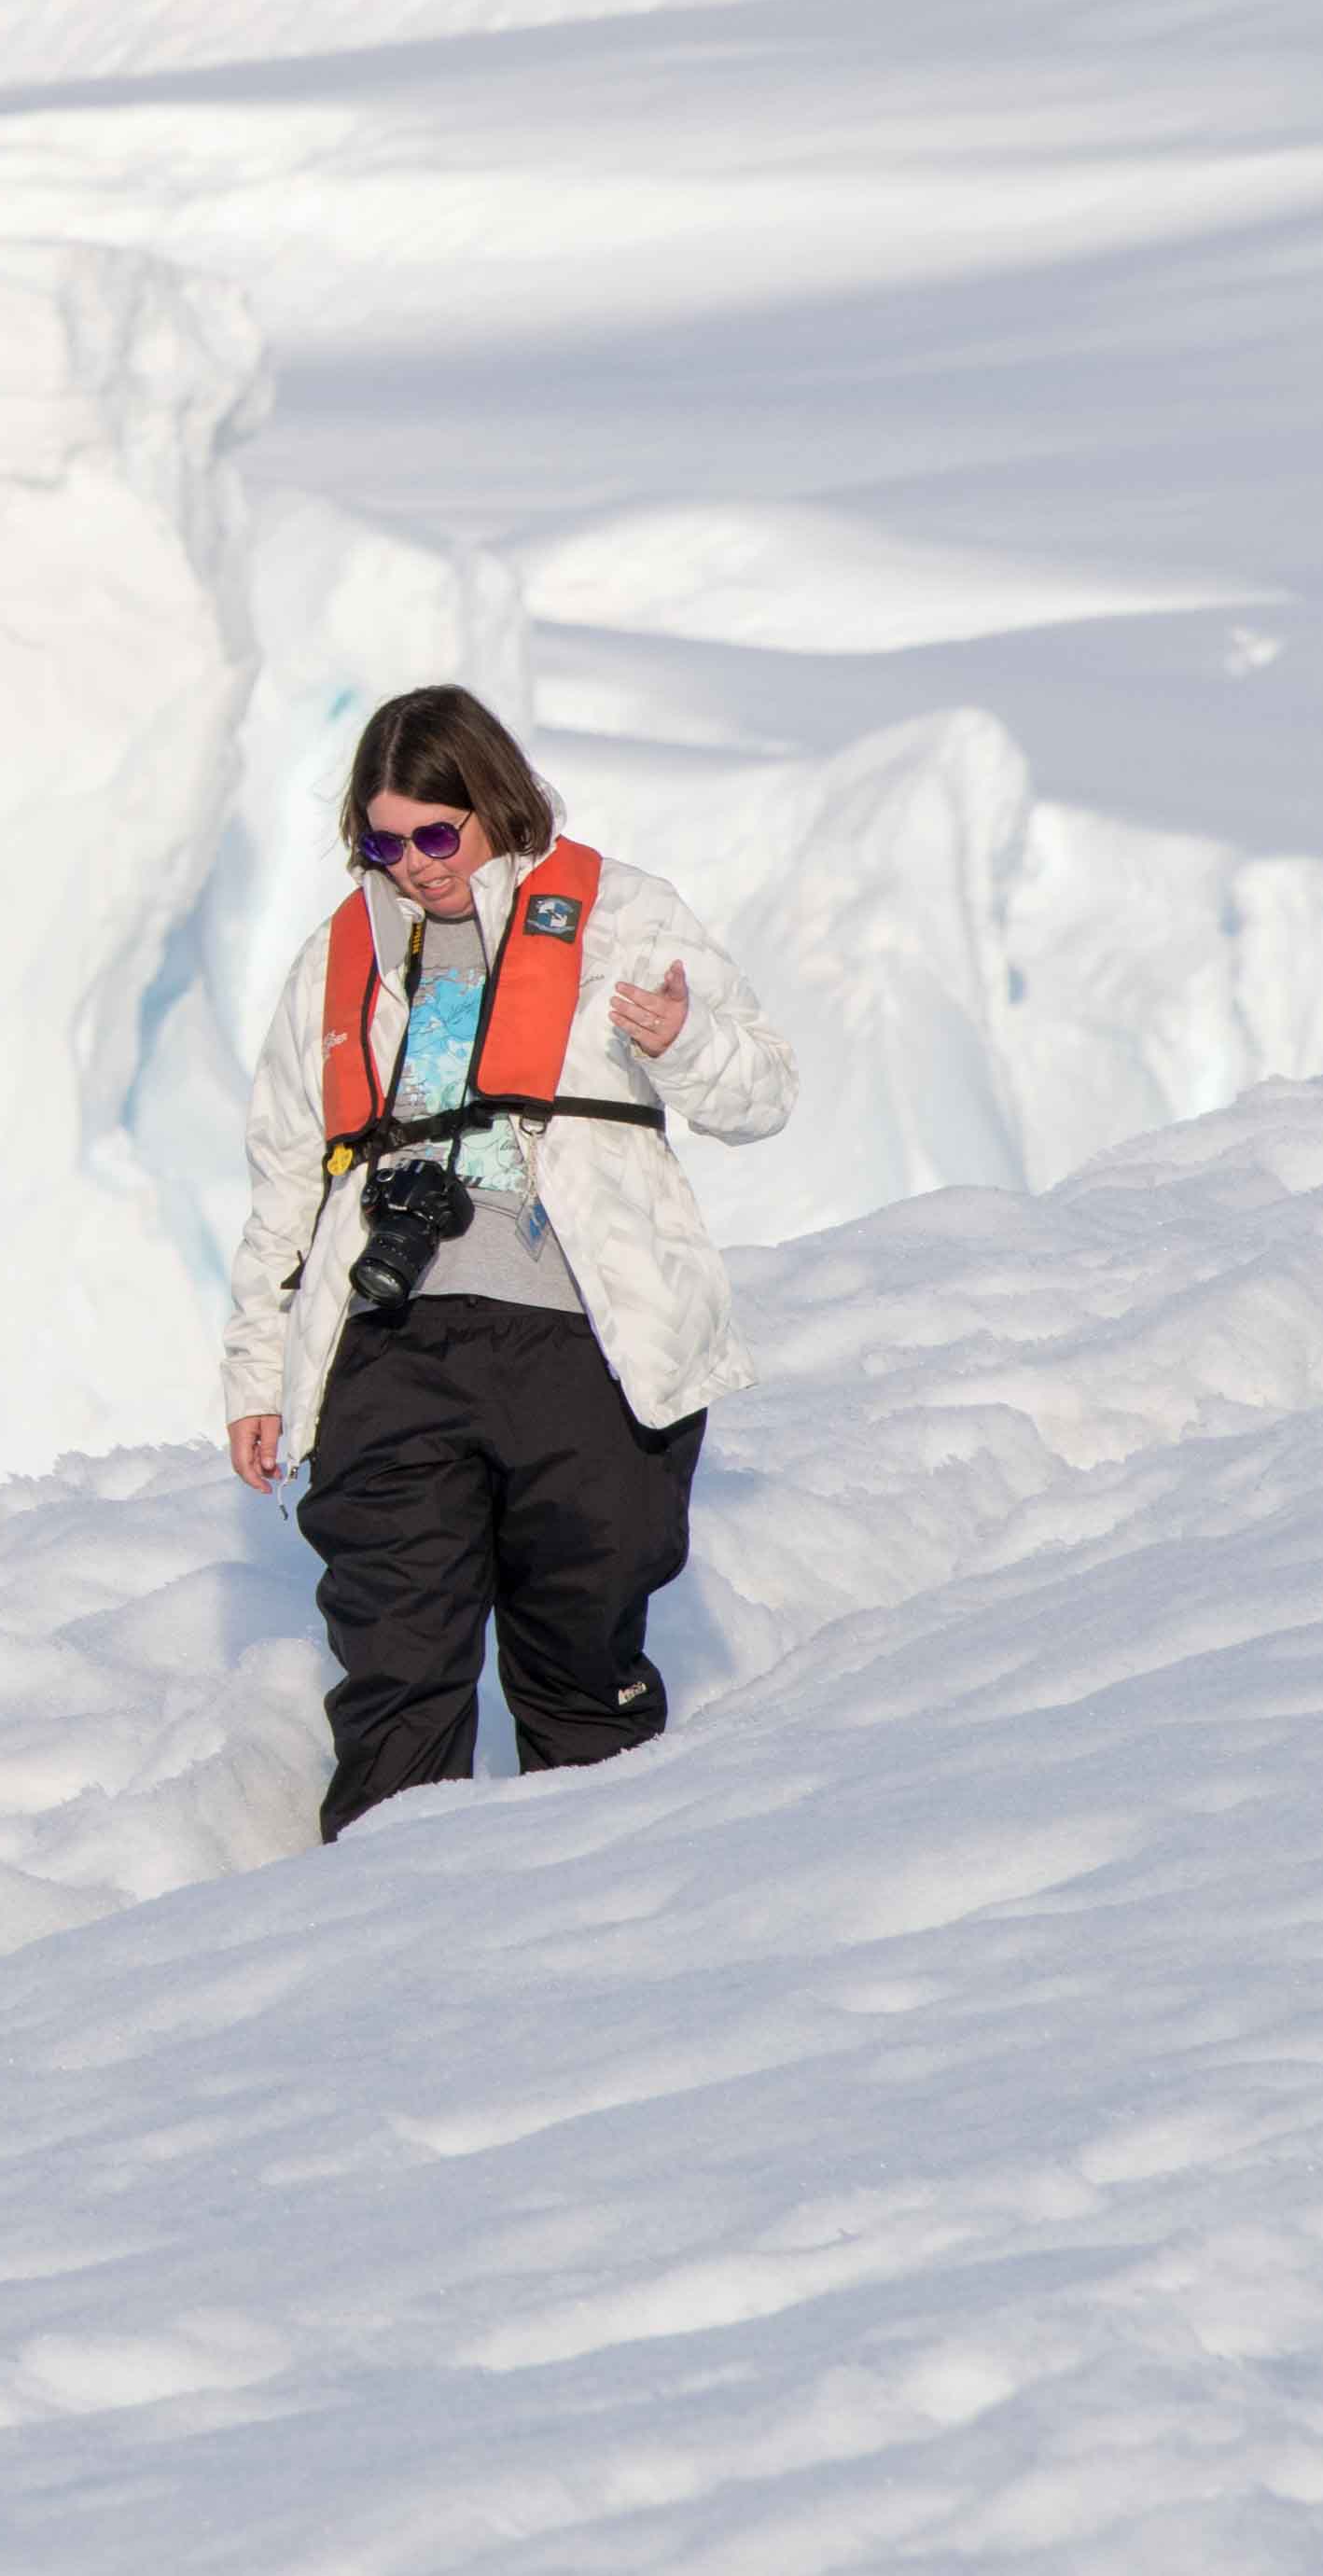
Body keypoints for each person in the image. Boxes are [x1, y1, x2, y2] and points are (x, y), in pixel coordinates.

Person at [226, 684, 796, 1839]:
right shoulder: (340, 955)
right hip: (388, 1343)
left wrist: (679, 1038)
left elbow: (763, 1091)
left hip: (583, 1343)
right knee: (394, 1667)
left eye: (436, 834)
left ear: (492, 803)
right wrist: (253, 1374)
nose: (415, 865)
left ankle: (589, 1941)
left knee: (576, 1665)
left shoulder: (623, 916)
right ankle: (376, 1945)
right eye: (384, 842)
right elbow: (285, 1174)